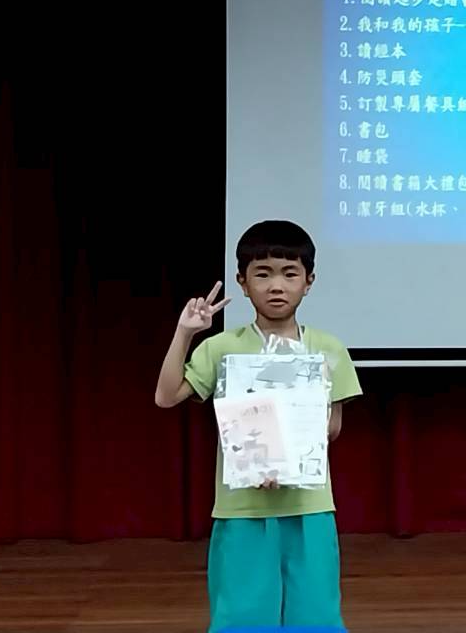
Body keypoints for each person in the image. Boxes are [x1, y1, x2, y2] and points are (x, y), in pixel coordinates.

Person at [154, 220, 362, 633]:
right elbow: (166, 395)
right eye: (262, 274)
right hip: (242, 508)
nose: (276, 286)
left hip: (308, 506)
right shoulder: (222, 347)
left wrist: (284, 458)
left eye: (290, 274)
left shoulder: (327, 348)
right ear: (243, 282)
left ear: (309, 282)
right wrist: (185, 332)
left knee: (316, 618)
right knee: (242, 618)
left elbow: (332, 427)